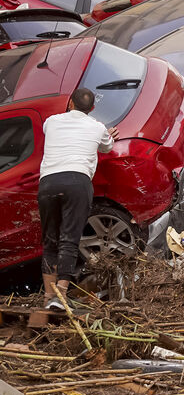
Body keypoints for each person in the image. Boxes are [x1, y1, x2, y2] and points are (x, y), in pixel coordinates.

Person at [38, 88, 118, 309]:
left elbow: (51, 132)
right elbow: (108, 145)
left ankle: (48, 297)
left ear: (70, 103)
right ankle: (60, 297)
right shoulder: (97, 127)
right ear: (92, 109)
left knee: (50, 240)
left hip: (48, 184)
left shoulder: (51, 121)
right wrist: (108, 134)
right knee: (69, 239)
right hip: (77, 182)